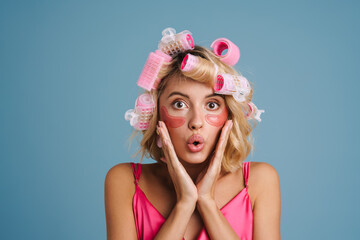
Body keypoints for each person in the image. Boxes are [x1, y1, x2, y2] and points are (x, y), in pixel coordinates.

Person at [104, 28, 281, 240]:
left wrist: (206, 201)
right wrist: (185, 203)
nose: (196, 122)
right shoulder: (125, 182)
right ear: (154, 114)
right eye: (179, 104)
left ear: (228, 116)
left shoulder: (259, 181)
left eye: (212, 104)